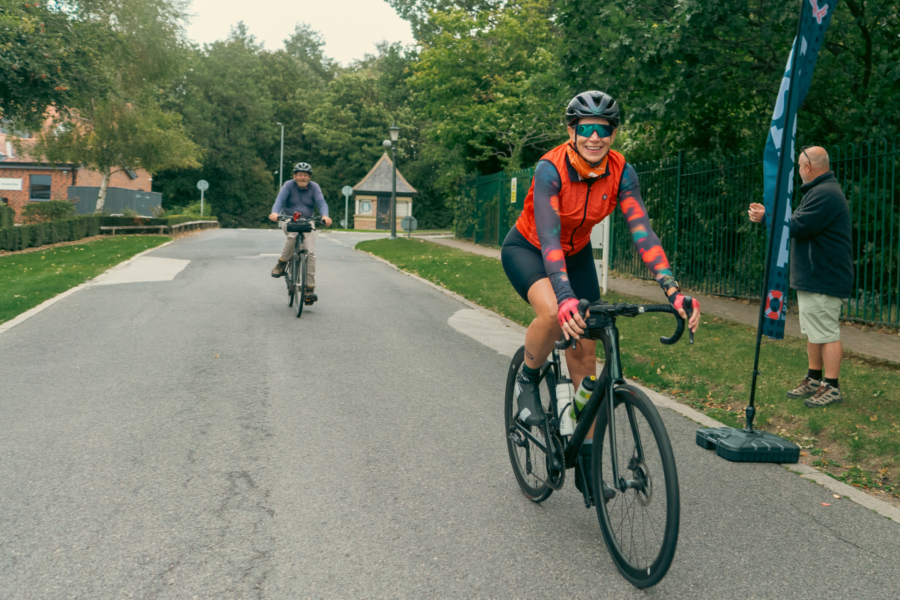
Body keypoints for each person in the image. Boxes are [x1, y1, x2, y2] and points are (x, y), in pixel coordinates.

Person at [501, 91, 701, 501]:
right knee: (554, 314)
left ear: (613, 133)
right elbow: (550, 236)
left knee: (586, 359)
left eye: (604, 129)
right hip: (531, 249)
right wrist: (564, 296)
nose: (595, 137)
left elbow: (642, 231)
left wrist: (672, 289)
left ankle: (587, 466)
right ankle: (527, 378)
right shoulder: (550, 168)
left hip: (575, 257)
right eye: (587, 128)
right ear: (571, 131)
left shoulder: (621, 171)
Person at [748, 146, 853, 407]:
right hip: (815, 277)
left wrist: (766, 218)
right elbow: (797, 223)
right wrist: (769, 216)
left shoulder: (825, 193)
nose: (797, 171)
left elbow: (797, 225)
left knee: (826, 333)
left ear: (808, 167)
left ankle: (832, 386)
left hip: (824, 278)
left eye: (798, 166)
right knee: (814, 332)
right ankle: (814, 379)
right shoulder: (819, 191)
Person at [269, 162, 332, 302]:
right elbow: (279, 201)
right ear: (295, 176)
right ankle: (281, 264)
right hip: (289, 219)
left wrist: (325, 216)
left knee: (310, 253)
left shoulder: (314, 187)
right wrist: (275, 213)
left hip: (308, 220)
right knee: (292, 236)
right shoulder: (288, 185)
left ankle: (309, 290)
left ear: (309, 177)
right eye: (300, 175)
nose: (303, 177)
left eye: (306, 175)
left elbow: (321, 203)